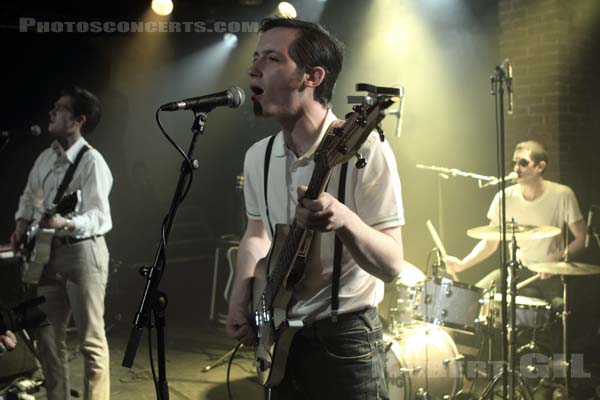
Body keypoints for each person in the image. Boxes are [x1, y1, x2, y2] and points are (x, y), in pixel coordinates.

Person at [225, 18, 405, 399]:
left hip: (346, 343)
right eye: (256, 57)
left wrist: (343, 219)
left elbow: (391, 265)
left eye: (272, 59)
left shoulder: (365, 148)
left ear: (312, 77)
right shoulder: (258, 156)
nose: (253, 68)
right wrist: (241, 294)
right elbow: (257, 235)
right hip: (280, 339)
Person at [10, 86, 112, 400]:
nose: (51, 113)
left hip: (83, 253)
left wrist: (66, 221)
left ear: (79, 119)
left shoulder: (92, 162)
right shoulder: (46, 157)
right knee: (48, 337)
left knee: (91, 341)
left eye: (60, 108)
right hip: (46, 254)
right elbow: (30, 196)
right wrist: (21, 224)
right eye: (53, 107)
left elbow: (100, 216)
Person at [446, 140, 586, 304]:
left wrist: (556, 258)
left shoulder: (562, 194)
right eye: (515, 162)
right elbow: (490, 243)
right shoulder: (504, 197)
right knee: (472, 301)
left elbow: (582, 238)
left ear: (540, 167)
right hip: (517, 271)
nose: (516, 168)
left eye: (523, 163)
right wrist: (462, 264)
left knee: (559, 311)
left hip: (551, 275)